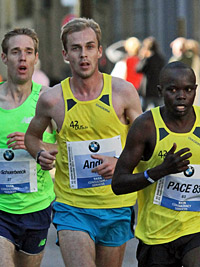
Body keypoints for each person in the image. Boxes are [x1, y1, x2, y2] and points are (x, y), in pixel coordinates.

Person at [25, 17, 142, 267]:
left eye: (90, 47)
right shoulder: (52, 99)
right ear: (66, 54)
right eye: (76, 48)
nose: (83, 55)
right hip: (72, 207)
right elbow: (32, 138)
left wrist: (120, 162)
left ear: (100, 51)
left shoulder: (123, 92)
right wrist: (39, 153)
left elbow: (146, 144)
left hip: (115, 204)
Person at [112, 61, 200, 267]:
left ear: (195, 90)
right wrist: (160, 171)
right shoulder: (146, 126)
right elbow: (118, 183)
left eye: (188, 89)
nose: (181, 96)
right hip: (156, 234)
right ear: (160, 91)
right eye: (173, 90)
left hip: (194, 228)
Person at [0, 28, 56, 267]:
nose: (22, 57)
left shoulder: (49, 99)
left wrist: (35, 143)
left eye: (28, 52)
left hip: (37, 206)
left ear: (35, 58)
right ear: (4, 58)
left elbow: (67, 150)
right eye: (15, 52)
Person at [136, 36, 166, 111]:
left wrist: (143, 57)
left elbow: (138, 69)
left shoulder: (148, 59)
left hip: (147, 89)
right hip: (158, 88)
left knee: (141, 111)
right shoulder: (161, 58)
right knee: (161, 111)